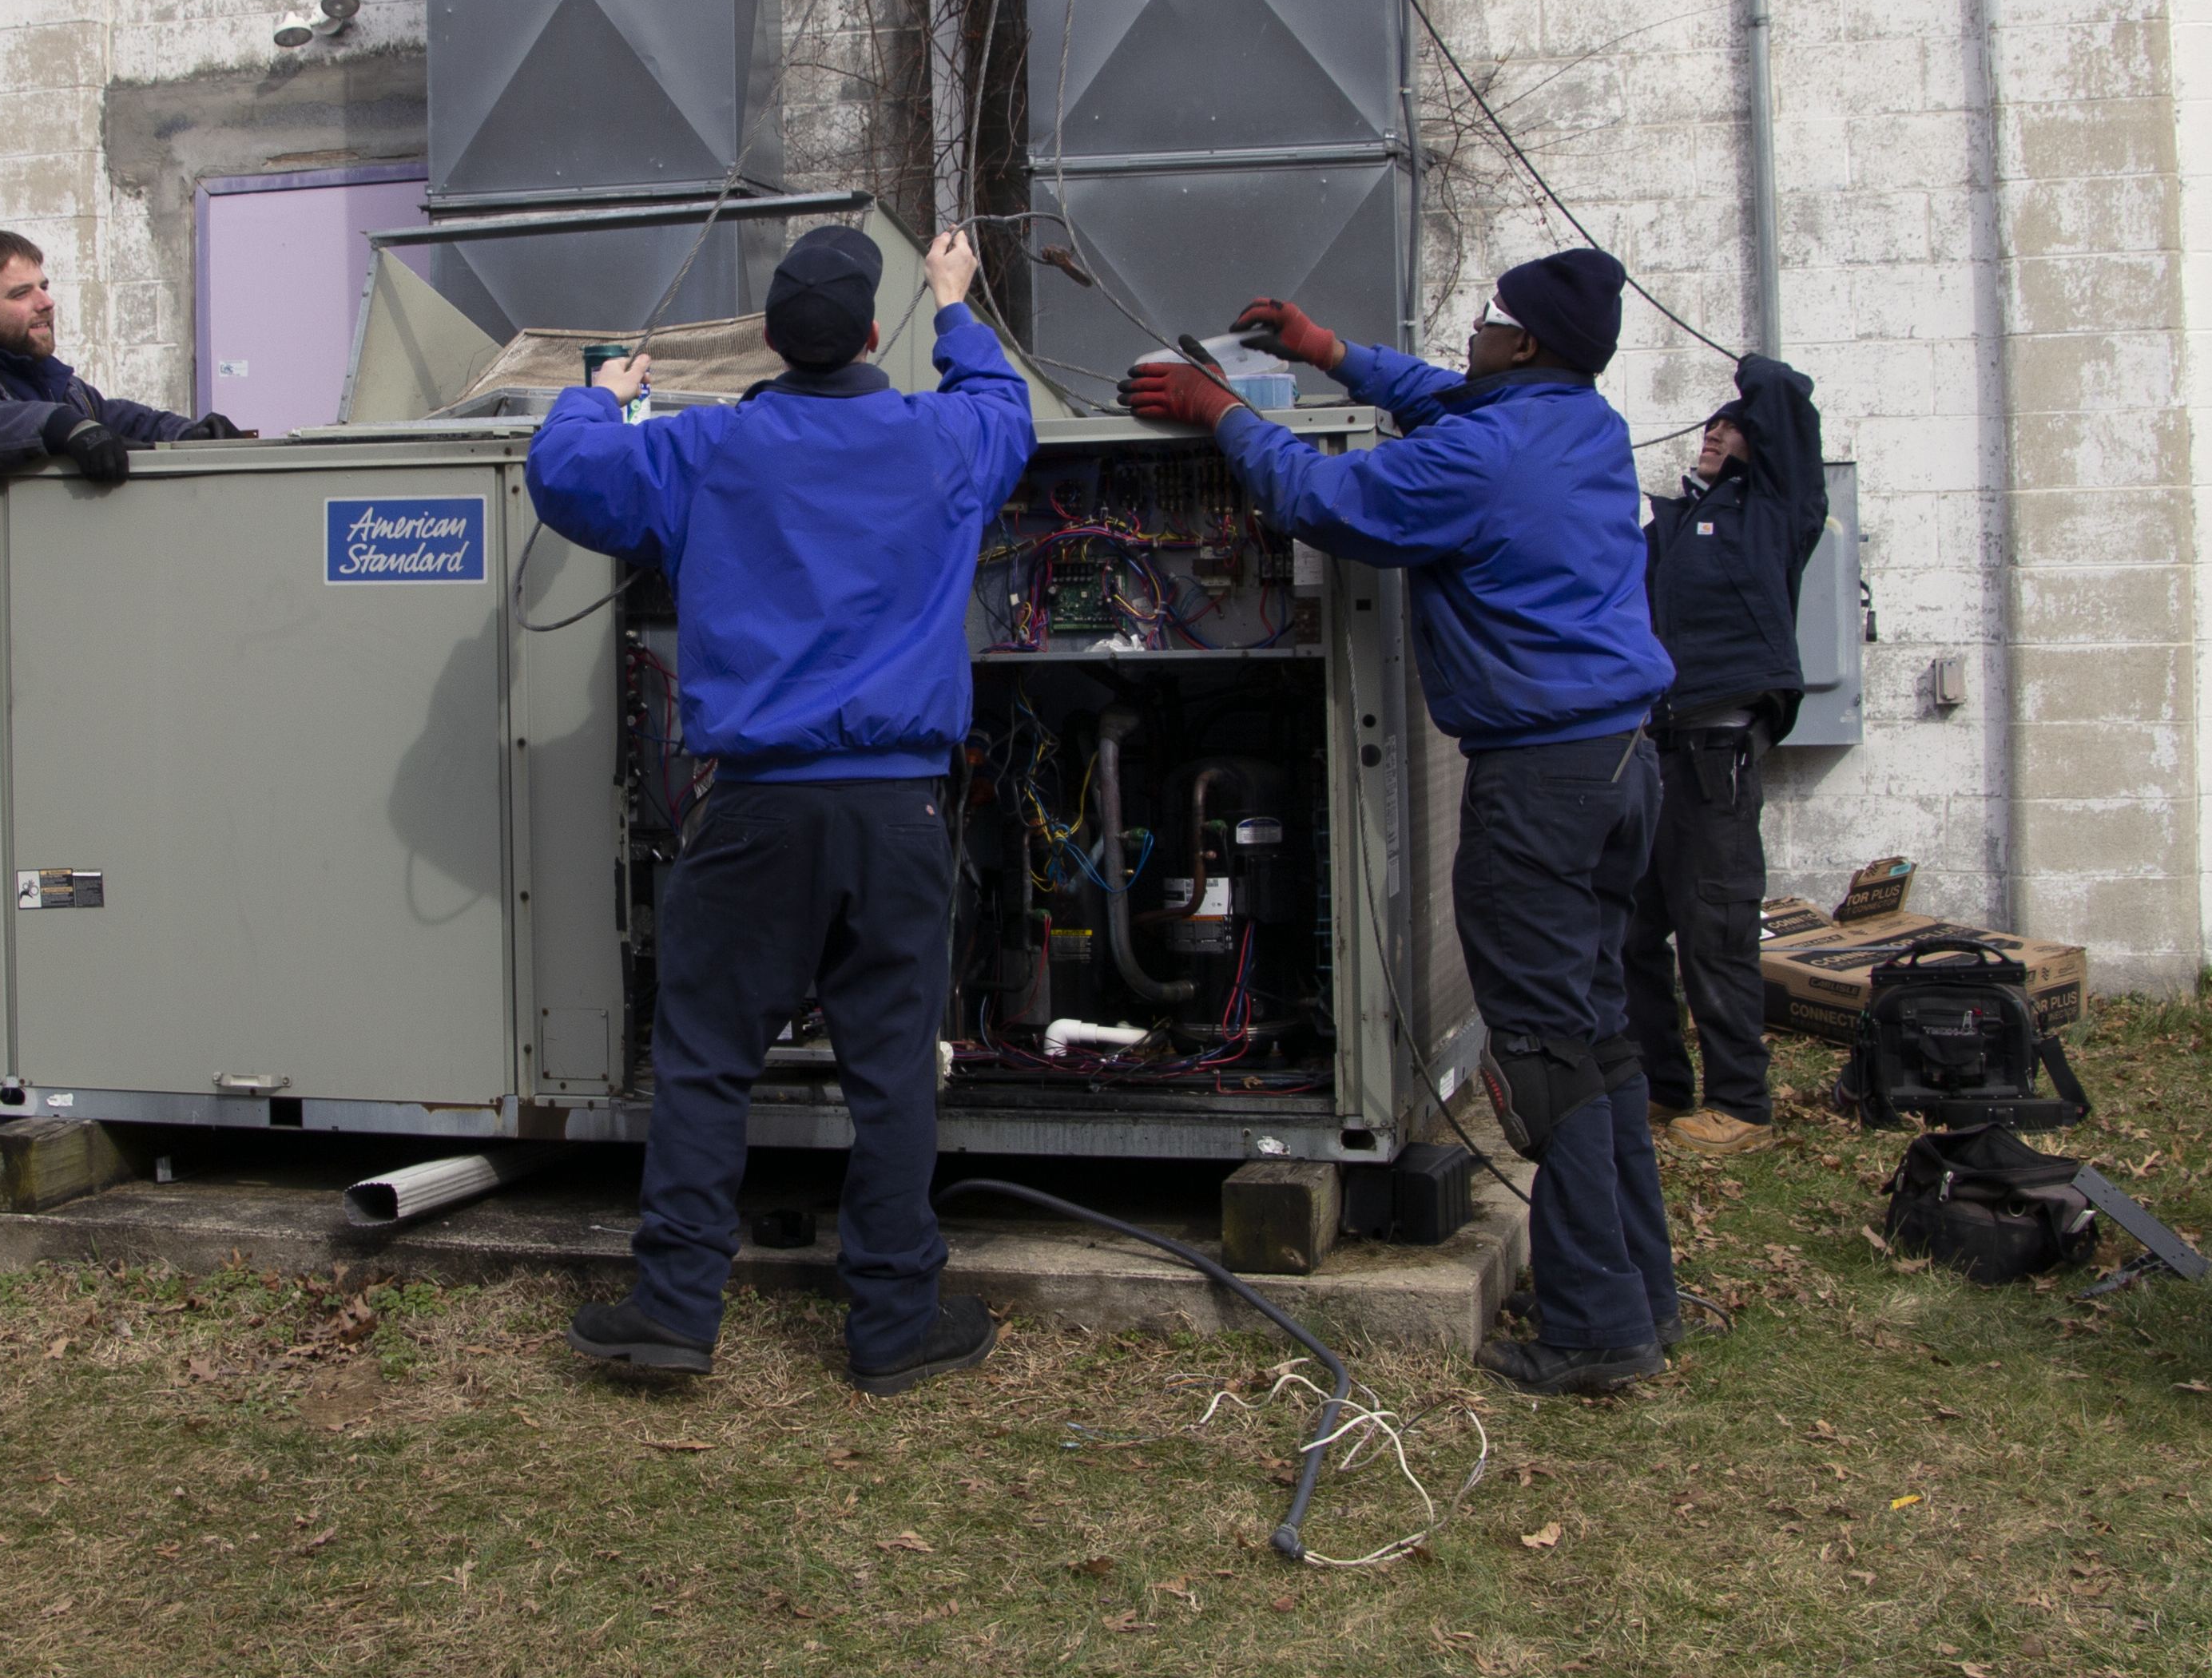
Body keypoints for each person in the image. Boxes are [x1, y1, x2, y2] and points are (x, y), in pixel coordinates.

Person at [1119, 253, 1683, 1398]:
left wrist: (1221, 410)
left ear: (1522, 345)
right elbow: (1448, 401)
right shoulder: (1577, 420)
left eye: (1485, 321)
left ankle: (1594, 1334)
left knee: (1544, 1060)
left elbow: (1332, 503)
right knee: (1600, 1039)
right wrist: (1329, 354)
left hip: (1542, 786)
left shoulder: (1480, 454)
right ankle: (1638, 1296)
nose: (1470, 335)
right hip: (1623, 765)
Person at [524, 225, 1037, 1394]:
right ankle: (896, 1327)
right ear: (871, 334)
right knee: (893, 1073)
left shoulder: (708, 447)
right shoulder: (942, 436)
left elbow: (565, 478)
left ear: (766, 339)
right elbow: (1007, 406)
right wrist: (953, 305)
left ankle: (672, 1312)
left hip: (755, 813)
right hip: (897, 814)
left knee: (705, 1063)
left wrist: (597, 398)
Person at [0, 228, 234, 1151]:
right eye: (20, 293)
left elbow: (113, 419)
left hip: (63, 688)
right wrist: (59, 433)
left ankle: (74, 1056)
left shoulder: (59, 386)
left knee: (78, 879)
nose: (44, 302)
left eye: (45, 285)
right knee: (7, 899)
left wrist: (186, 437)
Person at [1631, 355, 1826, 1156]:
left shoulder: (1776, 511)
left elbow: (1784, 405)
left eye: (1730, 425)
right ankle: (1658, 1090)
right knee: (1632, 932)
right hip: (1653, 748)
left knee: (1714, 929)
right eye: (1707, 425)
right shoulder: (1672, 522)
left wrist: (1755, 380)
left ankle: (1741, 1106)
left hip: (1719, 750)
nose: (1713, 433)